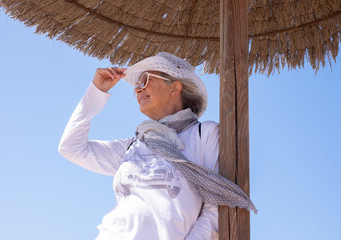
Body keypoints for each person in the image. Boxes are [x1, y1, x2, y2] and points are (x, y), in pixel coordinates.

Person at [58, 52, 255, 240]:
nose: (137, 89)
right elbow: (71, 147)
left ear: (174, 88)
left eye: (144, 80)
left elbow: (217, 206)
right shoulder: (134, 145)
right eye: (136, 85)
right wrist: (96, 91)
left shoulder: (205, 134)